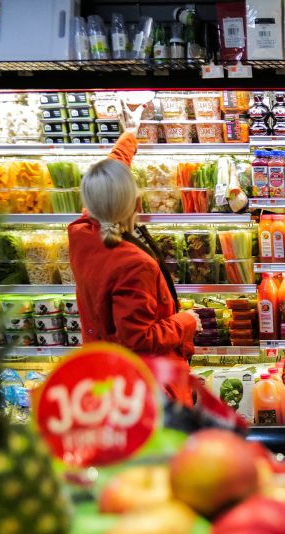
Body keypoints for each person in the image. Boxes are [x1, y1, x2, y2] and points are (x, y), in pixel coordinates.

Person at [68, 103, 200, 398]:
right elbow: (139, 337)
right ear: (133, 201)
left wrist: (129, 135)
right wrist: (186, 322)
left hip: (107, 371)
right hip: (144, 385)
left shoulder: (83, 232)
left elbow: (108, 179)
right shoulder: (132, 264)